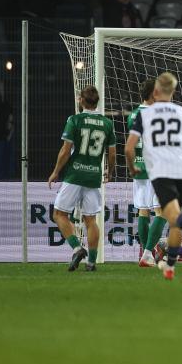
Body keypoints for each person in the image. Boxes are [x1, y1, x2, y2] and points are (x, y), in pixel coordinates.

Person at [125, 72, 182, 280]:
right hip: (179, 169)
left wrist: (132, 166)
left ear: (156, 91)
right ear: (173, 91)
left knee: (146, 212)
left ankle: (147, 254)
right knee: (169, 215)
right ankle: (167, 261)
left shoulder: (139, 115)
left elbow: (129, 148)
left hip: (150, 168)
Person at [47, 86, 116, 272]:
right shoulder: (107, 123)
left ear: (81, 101)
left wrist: (55, 171)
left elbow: (65, 150)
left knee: (59, 214)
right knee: (90, 220)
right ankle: (91, 262)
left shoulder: (74, 120)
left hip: (75, 175)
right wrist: (109, 172)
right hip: (93, 176)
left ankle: (77, 248)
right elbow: (111, 152)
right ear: (97, 102)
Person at [129, 79, 166, 268]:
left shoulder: (133, 114)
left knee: (143, 211)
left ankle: (145, 254)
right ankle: (147, 253)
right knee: (162, 211)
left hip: (139, 167)